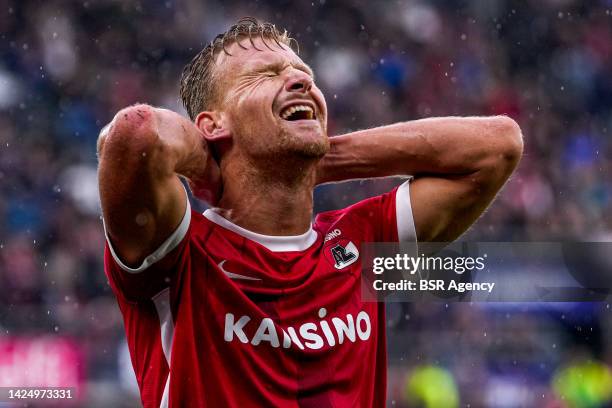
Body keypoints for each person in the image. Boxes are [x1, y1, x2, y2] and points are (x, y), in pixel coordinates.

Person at [97, 17, 523, 408]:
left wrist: (322, 157)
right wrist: (207, 166)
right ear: (211, 125)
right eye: (265, 75)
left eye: (304, 75)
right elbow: (136, 134)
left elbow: (498, 146)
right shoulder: (181, 252)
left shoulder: (362, 243)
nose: (300, 81)